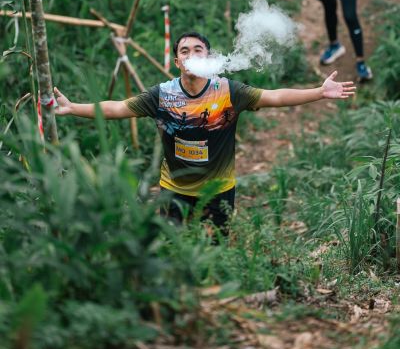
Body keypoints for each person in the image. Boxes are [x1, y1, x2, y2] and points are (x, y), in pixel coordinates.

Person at [54, 31, 356, 234]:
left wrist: (318, 92)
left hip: (219, 191)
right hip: (174, 190)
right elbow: (119, 108)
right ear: (177, 61)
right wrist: (74, 107)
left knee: (216, 253)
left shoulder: (228, 90)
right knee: (174, 254)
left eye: (198, 49)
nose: (191, 54)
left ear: (209, 57)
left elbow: (274, 97)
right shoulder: (162, 95)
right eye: (184, 51)